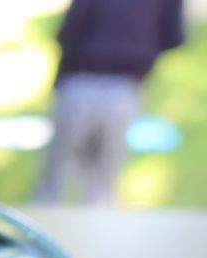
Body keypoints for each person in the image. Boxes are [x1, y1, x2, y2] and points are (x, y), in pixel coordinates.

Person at [35, 0, 185, 206]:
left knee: (73, 179)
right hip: (101, 78)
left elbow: (69, 29)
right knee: (70, 177)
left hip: (102, 79)